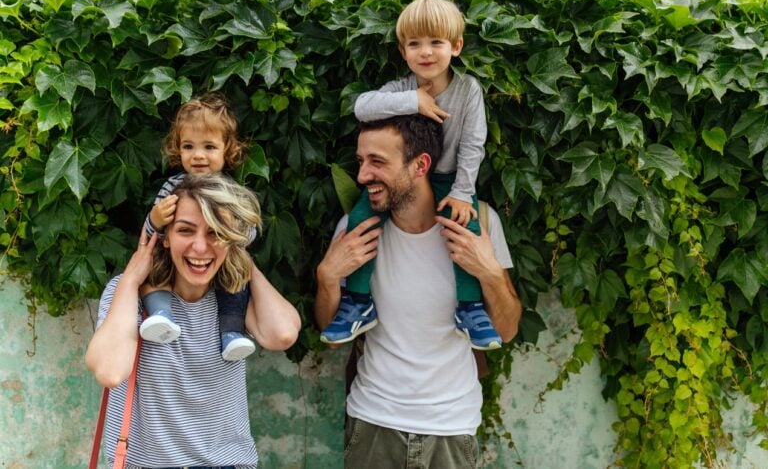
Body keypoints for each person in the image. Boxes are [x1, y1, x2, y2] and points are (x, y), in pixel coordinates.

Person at [315, 115, 522, 468]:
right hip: (373, 422)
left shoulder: (479, 223)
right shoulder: (356, 230)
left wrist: (489, 272)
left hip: (452, 428)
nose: (362, 176)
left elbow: (506, 330)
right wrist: (327, 277)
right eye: (361, 161)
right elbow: (333, 337)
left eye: (377, 162)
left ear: (420, 165)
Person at [320, 0, 501, 350]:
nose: (426, 52)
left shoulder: (468, 90)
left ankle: (471, 308)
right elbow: (362, 106)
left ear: (456, 47)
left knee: (464, 228)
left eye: (436, 42)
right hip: (403, 178)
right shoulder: (401, 88)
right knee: (360, 219)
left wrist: (463, 192)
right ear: (403, 52)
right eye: (414, 44)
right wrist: (413, 101)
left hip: (450, 179)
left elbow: (473, 144)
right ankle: (357, 302)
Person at [86, 173, 301, 469]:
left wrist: (241, 259)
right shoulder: (129, 293)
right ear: (165, 237)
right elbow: (110, 372)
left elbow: (283, 334)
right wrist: (131, 279)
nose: (200, 247)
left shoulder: (233, 297)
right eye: (186, 230)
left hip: (226, 464)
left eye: (215, 233)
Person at [140, 92, 258, 361]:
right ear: (178, 149)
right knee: (154, 267)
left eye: (209, 147)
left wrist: (234, 231)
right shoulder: (172, 188)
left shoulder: (230, 192)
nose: (198, 156)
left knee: (238, 278)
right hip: (176, 264)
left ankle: (231, 333)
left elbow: (250, 234)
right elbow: (149, 235)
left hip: (221, 263)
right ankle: (161, 315)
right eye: (188, 147)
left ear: (227, 150)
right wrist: (155, 220)